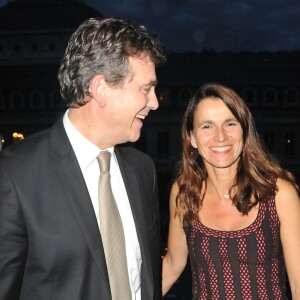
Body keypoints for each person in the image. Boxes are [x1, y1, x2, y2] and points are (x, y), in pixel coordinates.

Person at [0, 17, 167, 300]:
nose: (154, 102)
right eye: (144, 89)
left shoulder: (143, 170)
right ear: (100, 88)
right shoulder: (14, 173)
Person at [162, 83, 300, 299]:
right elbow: (172, 264)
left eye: (230, 124)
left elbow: (298, 282)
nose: (220, 137)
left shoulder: (278, 193)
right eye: (207, 126)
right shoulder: (184, 192)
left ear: (245, 132)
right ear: (192, 138)